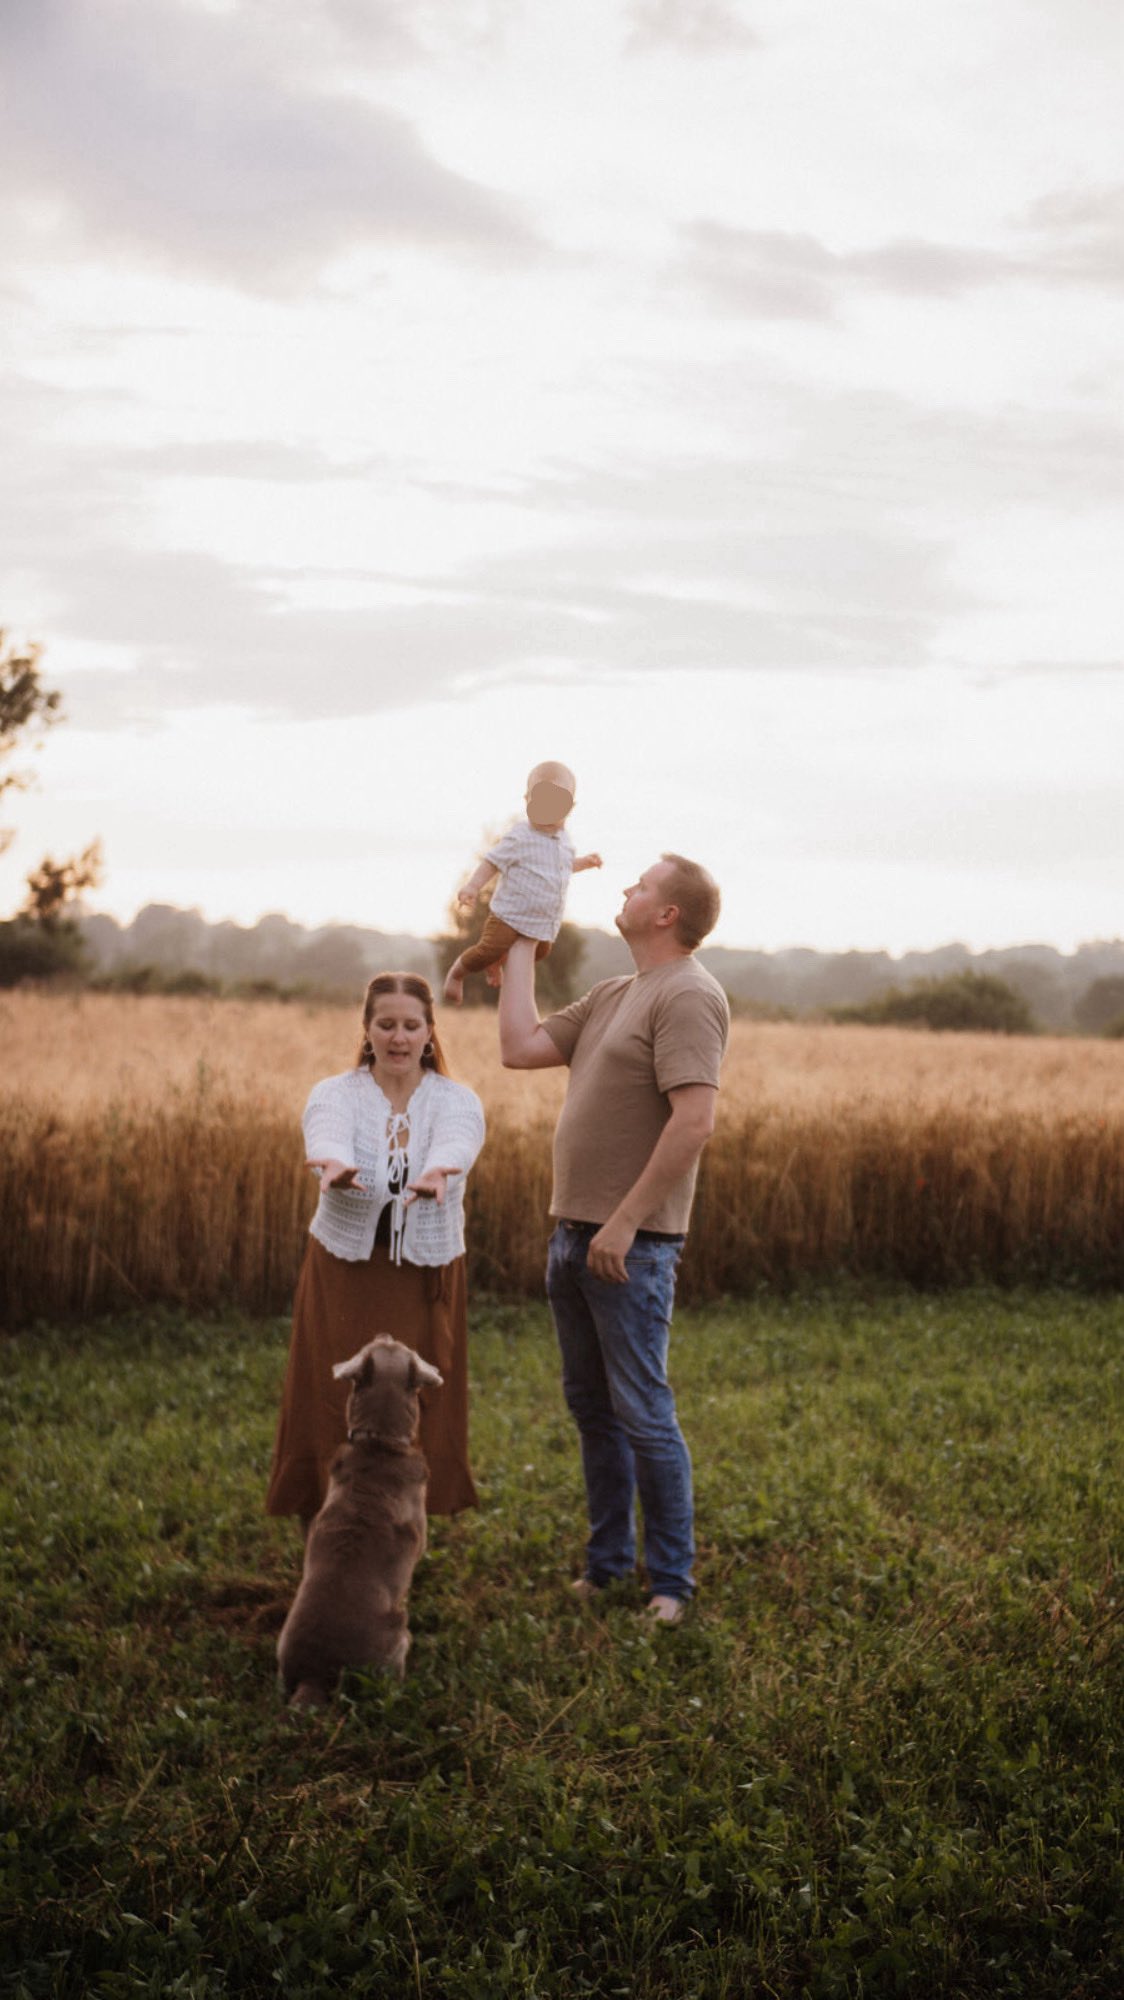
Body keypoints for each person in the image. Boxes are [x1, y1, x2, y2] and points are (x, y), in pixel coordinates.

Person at [497, 854, 729, 1624]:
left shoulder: (690, 994)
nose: (625, 889)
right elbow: (519, 1046)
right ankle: (605, 1566)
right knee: (594, 1413)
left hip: (631, 1245)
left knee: (643, 1413)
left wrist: (627, 1223)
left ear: (667, 914)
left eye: (640, 884)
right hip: (573, 1237)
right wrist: (524, 941)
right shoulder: (613, 994)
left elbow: (695, 1120)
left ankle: (670, 1585)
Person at [266, 972, 485, 1531]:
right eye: (386, 1024)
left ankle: (404, 1525)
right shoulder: (334, 1093)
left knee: (420, 1397)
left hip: (422, 1274)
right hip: (345, 1268)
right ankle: (324, 1516)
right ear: (367, 1030)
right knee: (331, 1392)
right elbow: (327, 1132)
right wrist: (333, 1162)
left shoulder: (456, 1100)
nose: (398, 1037)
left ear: (430, 1033)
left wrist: (439, 1170)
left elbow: (457, 1141)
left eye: (411, 1025)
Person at [443, 760, 602, 1003]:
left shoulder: (565, 840)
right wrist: (473, 887)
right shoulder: (520, 835)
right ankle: (457, 972)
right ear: (527, 800)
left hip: (543, 922)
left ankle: (496, 964)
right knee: (489, 949)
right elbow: (492, 861)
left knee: (541, 952)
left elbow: (563, 867)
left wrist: (585, 863)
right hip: (509, 917)